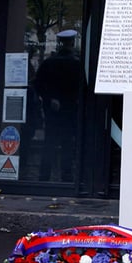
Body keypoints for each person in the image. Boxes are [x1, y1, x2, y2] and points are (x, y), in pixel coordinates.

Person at [33, 29, 86, 182]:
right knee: (68, 145)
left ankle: (44, 175)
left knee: (49, 143)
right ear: (72, 42)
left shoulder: (49, 63)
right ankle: (67, 176)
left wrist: (50, 99)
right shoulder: (77, 64)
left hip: (53, 112)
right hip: (70, 110)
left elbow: (38, 84)